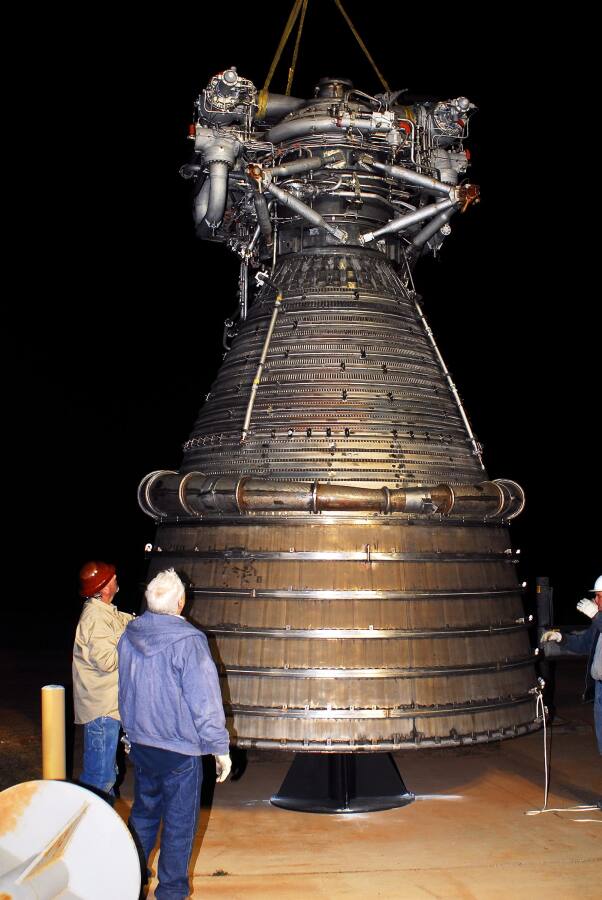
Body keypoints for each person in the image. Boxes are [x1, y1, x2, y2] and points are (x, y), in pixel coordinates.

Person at [118, 568, 231, 900]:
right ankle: (171, 893)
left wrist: (130, 734)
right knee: (179, 826)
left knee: (144, 814)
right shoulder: (189, 642)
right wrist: (219, 747)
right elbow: (205, 701)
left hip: (142, 745)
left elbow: (125, 689)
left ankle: (127, 879)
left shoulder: (129, 635)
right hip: (179, 751)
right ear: (180, 603)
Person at [72, 560, 133, 798]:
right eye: (113, 578)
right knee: (99, 777)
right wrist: (129, 642)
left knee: (107, 772)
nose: (117, 580)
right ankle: (92, 829)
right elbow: (107, 660)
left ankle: (103, 828)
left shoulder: (105, 613)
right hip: (102, 710)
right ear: (105, 586)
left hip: (107, 707)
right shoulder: (96, 618)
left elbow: (126, 622)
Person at [541, 574, 602, 756]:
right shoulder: (598, 624)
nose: (596, 601)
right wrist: (561, 638)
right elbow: (584, 643)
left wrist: (597, 616)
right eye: (596, 596)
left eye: (600, 596)